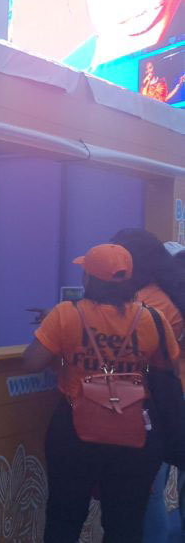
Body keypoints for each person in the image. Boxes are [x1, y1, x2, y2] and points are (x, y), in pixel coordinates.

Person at [23, 243, 179, 542]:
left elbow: (32, 362)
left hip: (74, 432)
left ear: (88, 280)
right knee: (125, 523)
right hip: (134, 434)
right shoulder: (154, 320)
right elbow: (167, 369)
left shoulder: (66, 315)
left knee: (64, 517)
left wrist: (64, 352)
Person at [111, 229, 185, 542]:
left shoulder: (146, 303)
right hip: (173, 399)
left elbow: (119, 350)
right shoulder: (169, 294)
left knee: (150, 491)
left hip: (157, 405)